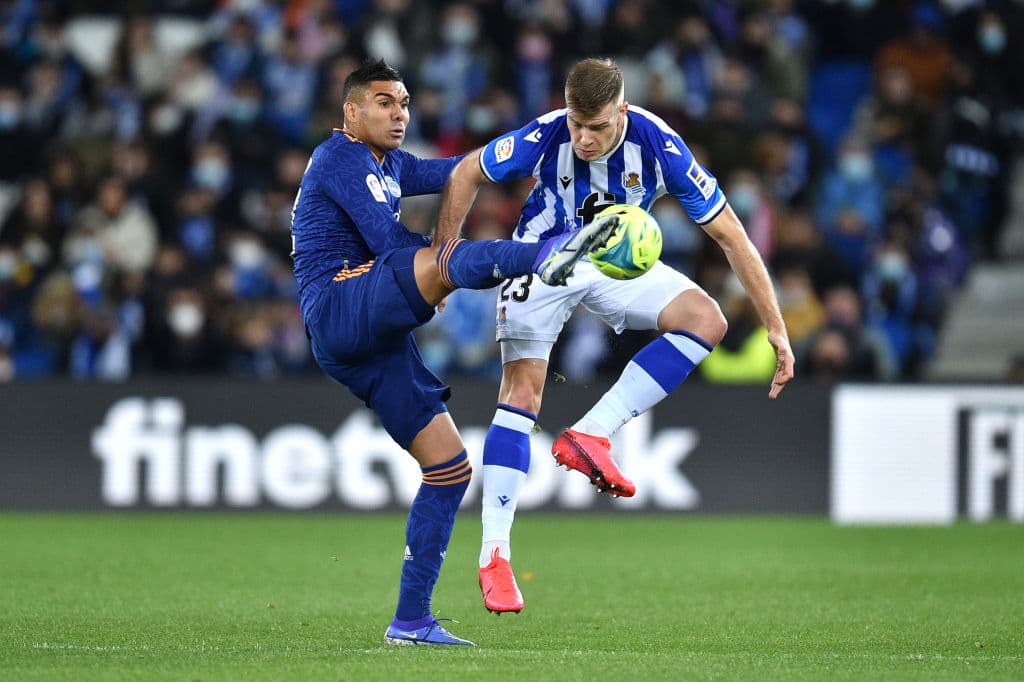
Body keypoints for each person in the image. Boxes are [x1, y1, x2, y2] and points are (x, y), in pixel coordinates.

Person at [435, 58, 795, 614]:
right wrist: (442, 257)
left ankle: (592, 434)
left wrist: (776, 325)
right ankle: (494, 556)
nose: (583, 137)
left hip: (612, 263)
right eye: (577, 123)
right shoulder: (547, 133)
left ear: (621, 112)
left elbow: (732, 235)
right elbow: (465, 173)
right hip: (542, 257)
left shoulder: (659, 145)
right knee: (522, 393)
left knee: (708, 320)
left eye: (598, 127)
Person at [289, 58, 620, 647]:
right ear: (351, 111)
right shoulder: (337, 157)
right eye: (385, 102)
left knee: (449, 469)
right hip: (337, 305)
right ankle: (558, 252)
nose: (399, 114)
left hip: (368, 340)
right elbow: (393, 244)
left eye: (406, 103)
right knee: (439, 260)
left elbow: (458, 170)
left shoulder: (390, 164)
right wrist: (434, 270)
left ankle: (411, 621)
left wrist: (532, 149)